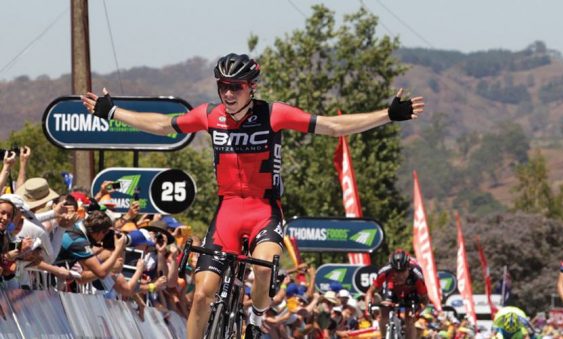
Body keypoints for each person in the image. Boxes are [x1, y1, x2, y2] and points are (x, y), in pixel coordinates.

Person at [81, 52, 424, 339]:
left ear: (251, 88)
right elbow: (162, 125)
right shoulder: (209, 116)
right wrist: (112, 111)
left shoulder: (273, 114)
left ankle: (257, 316)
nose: (227, 94)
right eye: (222, 86)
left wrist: (388, 115)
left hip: (264, 210)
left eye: (236, 87)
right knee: (201, 295)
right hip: (227, 212)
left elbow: (334, 127)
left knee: (262, 270)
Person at [365, 249, 428, 338]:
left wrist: (417, 312)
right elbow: (370, 291)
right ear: (392, 269)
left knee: (409, 319)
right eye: (396, 272)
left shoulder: (416, 276)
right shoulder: (385, 272)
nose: (400, 275)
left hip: (411, 292)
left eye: (403, 271)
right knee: (384, 312)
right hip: (391, 289)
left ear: (408, 268)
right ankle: (384, 336)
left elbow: (425, 299)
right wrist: (368, 307)